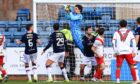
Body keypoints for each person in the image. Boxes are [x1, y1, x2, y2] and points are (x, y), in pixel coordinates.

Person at [112, 20, 137, 84]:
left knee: (118, 67)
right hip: (128, 52)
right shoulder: (130, 32)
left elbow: (113, 42)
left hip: (119, 52)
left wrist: (115, 51)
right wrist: (134, 51)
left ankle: (118, 80)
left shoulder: (116, 32)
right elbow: (134, 42)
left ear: (119, 25)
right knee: (131, 66)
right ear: (126, 25)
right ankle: (135, 80)